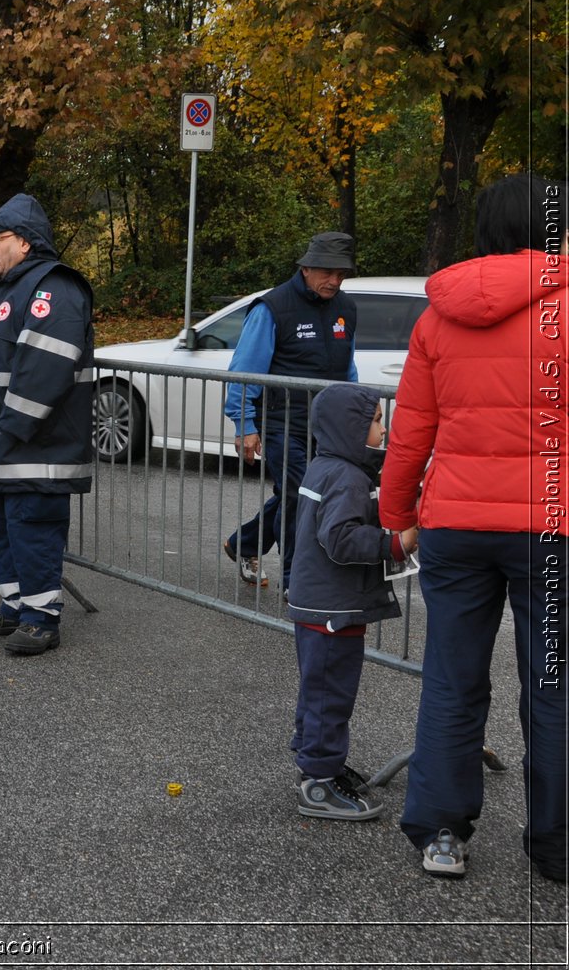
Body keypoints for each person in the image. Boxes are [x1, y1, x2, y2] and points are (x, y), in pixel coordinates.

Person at [381, 172, 567, 882]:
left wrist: (397, 515)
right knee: (553, 683)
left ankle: (440, 832)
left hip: (455, 523)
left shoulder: (439, 315)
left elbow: (411, 433)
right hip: (551, 524)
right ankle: (556, 843)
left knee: (452, 680)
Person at [0, 194, 94, 657]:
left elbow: (46, 368)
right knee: (5, 529)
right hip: (0, 445)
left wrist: (9, 427)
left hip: (35, 448)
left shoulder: (54, 289)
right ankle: (16, 607)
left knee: (33, 529)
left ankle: (41, 620)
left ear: (27, 243)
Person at [286, 383, 413, 822]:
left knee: (318, 690)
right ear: (349, 427)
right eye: (376, 420)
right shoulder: (348, 476)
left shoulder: (326, 466)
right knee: (329, 695)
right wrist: (395, 543)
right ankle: (317, 783)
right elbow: (339, 539)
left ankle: (318, 762)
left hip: (320, 604)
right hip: (332, 609)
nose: (384, 428)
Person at [222, 233, 359, 594]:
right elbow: (244, 370)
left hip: (324, 425)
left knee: (297, 494)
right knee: (301, 495)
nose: (335, 281)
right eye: (328, 272)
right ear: (306, 266)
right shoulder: (272, 307)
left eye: (341, 274)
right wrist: (244, 424)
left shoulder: (346, 308)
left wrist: (355, 417)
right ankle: (295, 581)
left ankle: (244, 544)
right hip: (281, 422)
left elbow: (348, 370)